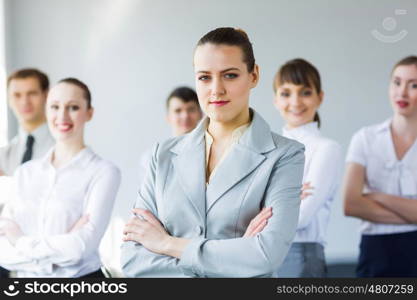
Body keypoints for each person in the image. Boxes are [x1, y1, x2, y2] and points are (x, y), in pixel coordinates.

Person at [121, 27, 305, 278]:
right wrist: (234, 256)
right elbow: (133, 259)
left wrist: (166, 244)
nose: (216, 89)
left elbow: (265, 255)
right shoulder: (162, 154)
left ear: (254, 76)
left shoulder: (284, 156)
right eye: (205, 77)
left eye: (229, 75)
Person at [0, 78, 121, 277]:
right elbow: (2, 251)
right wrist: (64, 244)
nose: (62, 116)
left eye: (73, 107)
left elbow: (81, 247)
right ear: (46, 111)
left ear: (89, 113)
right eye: (54, 107)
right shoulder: (25, 173)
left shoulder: (104, 172)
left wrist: (20, 241)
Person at [343, 56, 417, 277]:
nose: (402, 92)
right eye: (397, 82)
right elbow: (351, 204)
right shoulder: (365, 139)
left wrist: (376, 196)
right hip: (376, 251)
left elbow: (362, 199)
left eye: (413, 85)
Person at [273, 58, 342, 277]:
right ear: (276, 100)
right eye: (286, 93)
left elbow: (301, 218)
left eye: (305, 92)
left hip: (300, 258)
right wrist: (289, 196)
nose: (295, 102)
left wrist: (265, 198)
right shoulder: (267, 149)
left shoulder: (326, 149)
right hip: (261, 256)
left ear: (319, 98)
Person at [137, 87, 202, 185]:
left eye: (191, 109)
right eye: (178, 111)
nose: (185, 116)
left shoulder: (212, 153)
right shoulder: (152, 157)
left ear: (200, 114)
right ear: (168, 117)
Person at [0, 69, 54, 176]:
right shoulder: (3, 157)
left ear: (47, 95)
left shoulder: (63, 149)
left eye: (32, 93)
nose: (25, 102)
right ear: (9, 100)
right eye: (17, 95)